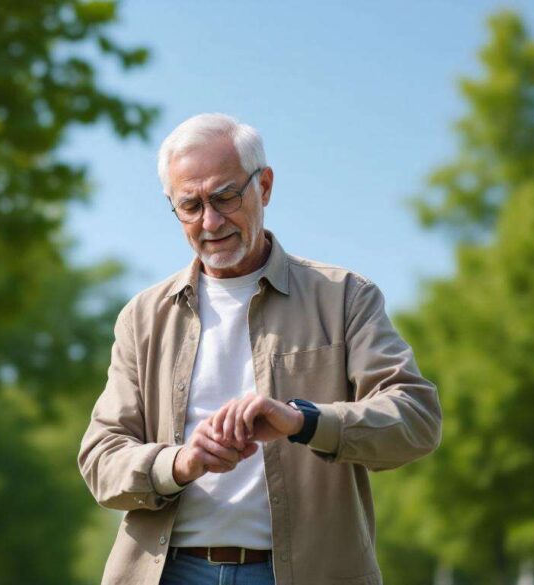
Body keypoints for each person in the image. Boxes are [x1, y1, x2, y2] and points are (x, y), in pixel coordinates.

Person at [78, 113, 442, 585]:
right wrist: (180, 462)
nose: (210, 221)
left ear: (264, 186)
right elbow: (101, 458)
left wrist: (304, 420)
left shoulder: (346, 296)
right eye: (190, 205)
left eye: (225, 197)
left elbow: (416, 420)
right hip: (168, 572)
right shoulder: (144, 317)